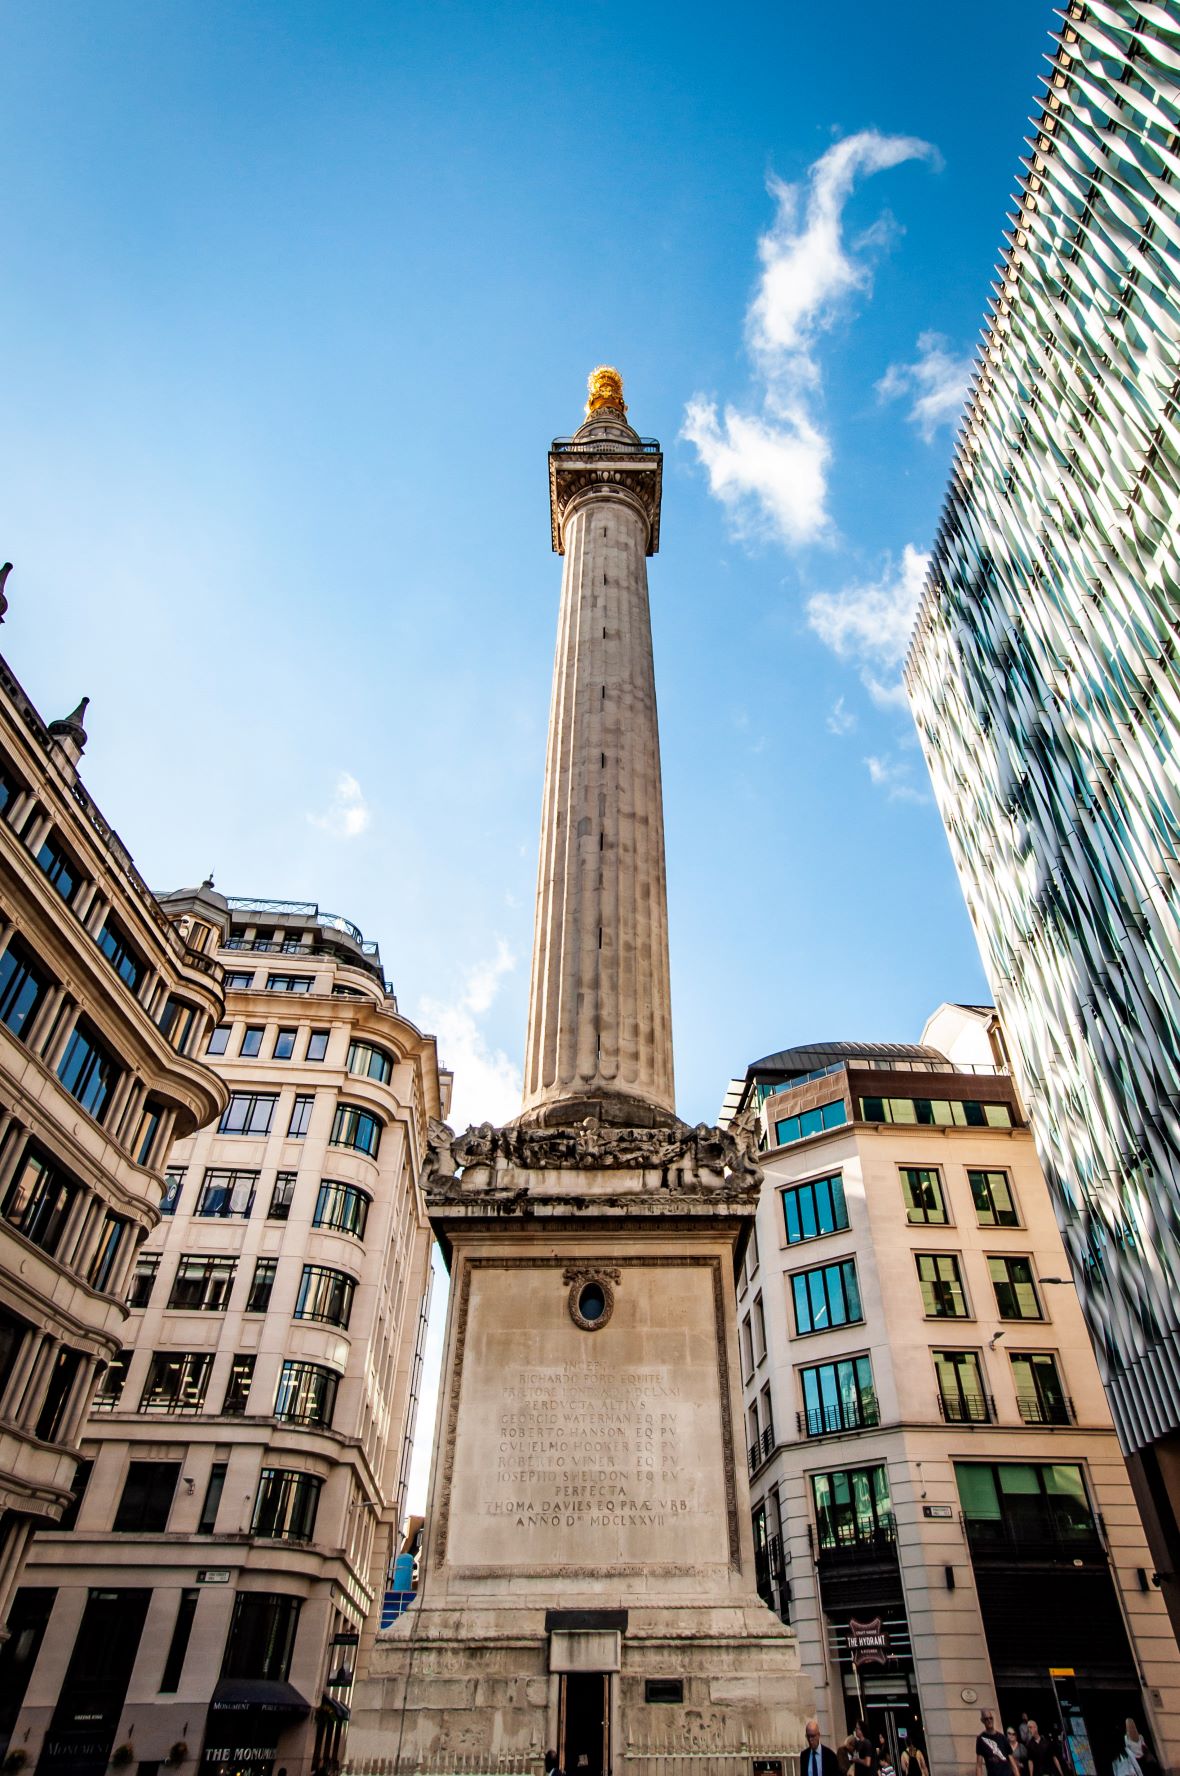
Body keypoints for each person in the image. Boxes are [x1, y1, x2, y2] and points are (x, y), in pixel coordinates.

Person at [977, 1708, 1020, 1776]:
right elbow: (979, 1766)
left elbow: (1012, 1762)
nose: (989, 1721)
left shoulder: (1002, 1737)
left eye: (990, 1718)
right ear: (982, 1720)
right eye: (986, 1719)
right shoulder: (981, 1739)